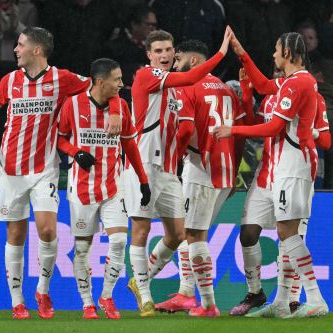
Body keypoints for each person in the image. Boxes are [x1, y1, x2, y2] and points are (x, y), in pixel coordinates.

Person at [0, 26, 122, 320]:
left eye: (21, 45)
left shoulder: (62, 79)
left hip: (45, 168)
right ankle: (17, 301)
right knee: (16, 233)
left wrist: (114, 108)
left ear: (37, 50)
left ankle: (43, 290)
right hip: (10, 170)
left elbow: (102, 85)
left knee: (47, 231)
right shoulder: (10, 81)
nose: (16, 50)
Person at [215, 30, 329, 318]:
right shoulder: (291, 82)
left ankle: (315, 298)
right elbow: (264, 84)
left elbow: (273, 128)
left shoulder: (299, 82)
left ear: (287, 54)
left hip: (294, 165)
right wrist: (241, 52)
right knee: (280, 231)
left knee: (287, 232)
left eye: (276, 50)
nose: (273, 55)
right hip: (280, 168)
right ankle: (280, 301)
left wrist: (234, 129)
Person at [123, 27, 231, 317]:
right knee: (141, 229)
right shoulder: (147, 75)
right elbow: (192, 76)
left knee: (179, 234)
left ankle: (140, 280)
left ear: (174, 53)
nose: (164, 55)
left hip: (169, 170)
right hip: (144, 166)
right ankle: (145, 297)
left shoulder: (173, 89)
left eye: (168, 50)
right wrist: (221, 53)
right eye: (157, 50)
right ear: (149, 55)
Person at [154, 40, 246, 317]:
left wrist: (174, 161)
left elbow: (185, 130)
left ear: (194, 61)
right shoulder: (227, 89)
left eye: (179, 57)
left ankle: (208, 304)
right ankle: (184, 294)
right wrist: (235, 171)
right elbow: (239, 134)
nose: (175, 61)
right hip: (227, 169)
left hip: (200, 166)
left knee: (194, 234)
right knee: (192, 231)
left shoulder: (186, 86)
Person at [57, 58, 150, 320]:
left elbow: (130, 146)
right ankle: (87, 303)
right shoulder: (72, 105)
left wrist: (142, 180)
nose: (122, 84)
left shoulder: (120, 106)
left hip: (113, 185)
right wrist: (75, 153)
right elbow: (60, 139)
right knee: (83, 249)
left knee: (119, 241)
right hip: (82, 188)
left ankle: (106, 296)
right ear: (100, 82)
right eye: (117, 79)